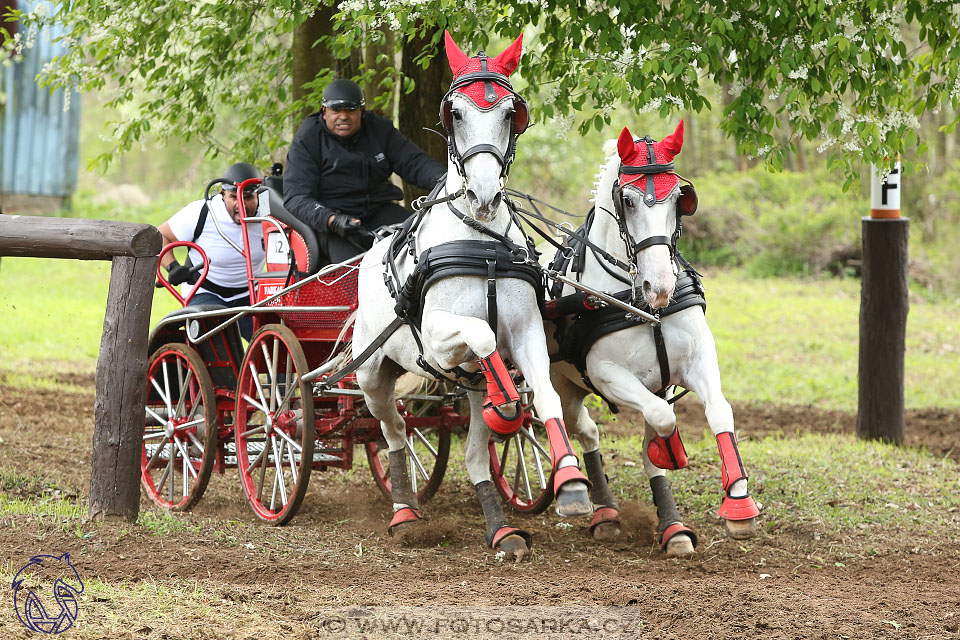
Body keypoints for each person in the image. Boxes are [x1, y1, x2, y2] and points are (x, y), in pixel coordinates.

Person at [283, 78, 446, 263]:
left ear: (362, 111)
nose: (343, 117)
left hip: (378, 209)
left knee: (430, 241)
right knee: (355, 275)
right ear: (324, 111)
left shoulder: (379, 129)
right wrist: (332, 220)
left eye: (351, 110)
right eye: (336, 110)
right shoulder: (308, 137)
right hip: (333, 221)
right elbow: (295, 197)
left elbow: (415, 162)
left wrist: (446, 180)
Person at [157, 162, 266, 341]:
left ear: (258, 196)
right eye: (234, 197)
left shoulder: (268, 216)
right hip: (206, 292)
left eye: (248, 197)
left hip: (251, 295)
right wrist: (173, 267)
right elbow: (159, 236)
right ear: (223, 195)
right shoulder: (202, 212)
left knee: (275, 343)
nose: (242, 204)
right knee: (220, 348)